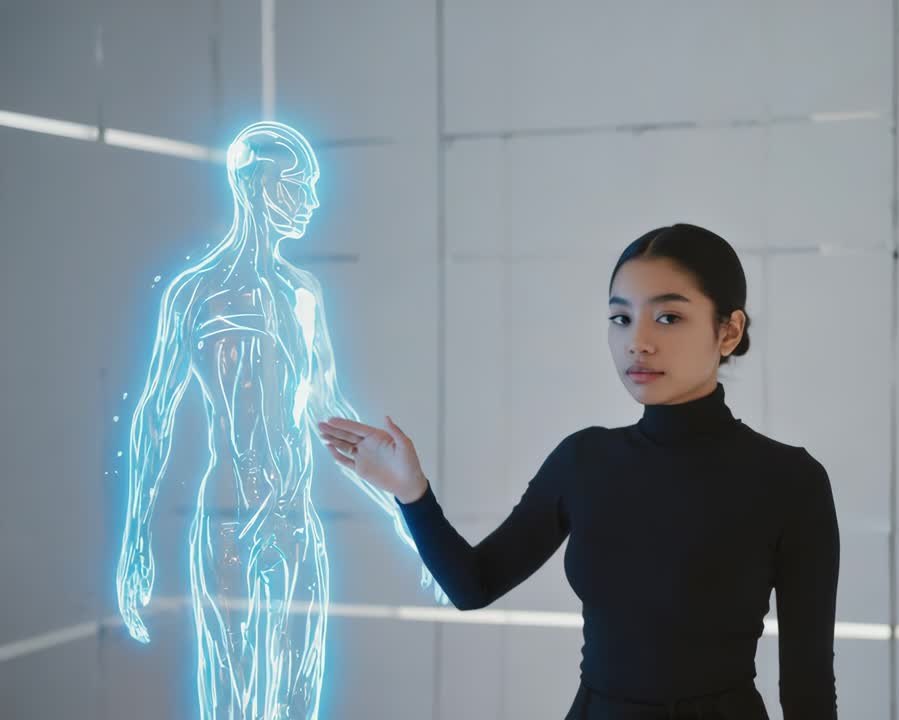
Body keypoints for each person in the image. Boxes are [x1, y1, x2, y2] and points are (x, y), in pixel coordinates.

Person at [319, 223, 840, 719]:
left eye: (667, 317)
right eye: (621, 318)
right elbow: (473, 586)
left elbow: (807, 686)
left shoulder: (790, 481)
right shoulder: (584, 461)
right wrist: (411, 491)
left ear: (728, 331)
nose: (637, 341)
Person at [115, 121, 443, 720]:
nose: (312, 200)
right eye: (298, 184)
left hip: (294, 524)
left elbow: (327, 412)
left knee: (297, 699)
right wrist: (135, 538)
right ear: (256, 185)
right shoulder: (195, 294)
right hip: (225, 524)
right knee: (227, 697)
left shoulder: (302, 293)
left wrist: (406, 523)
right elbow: (154, 415)